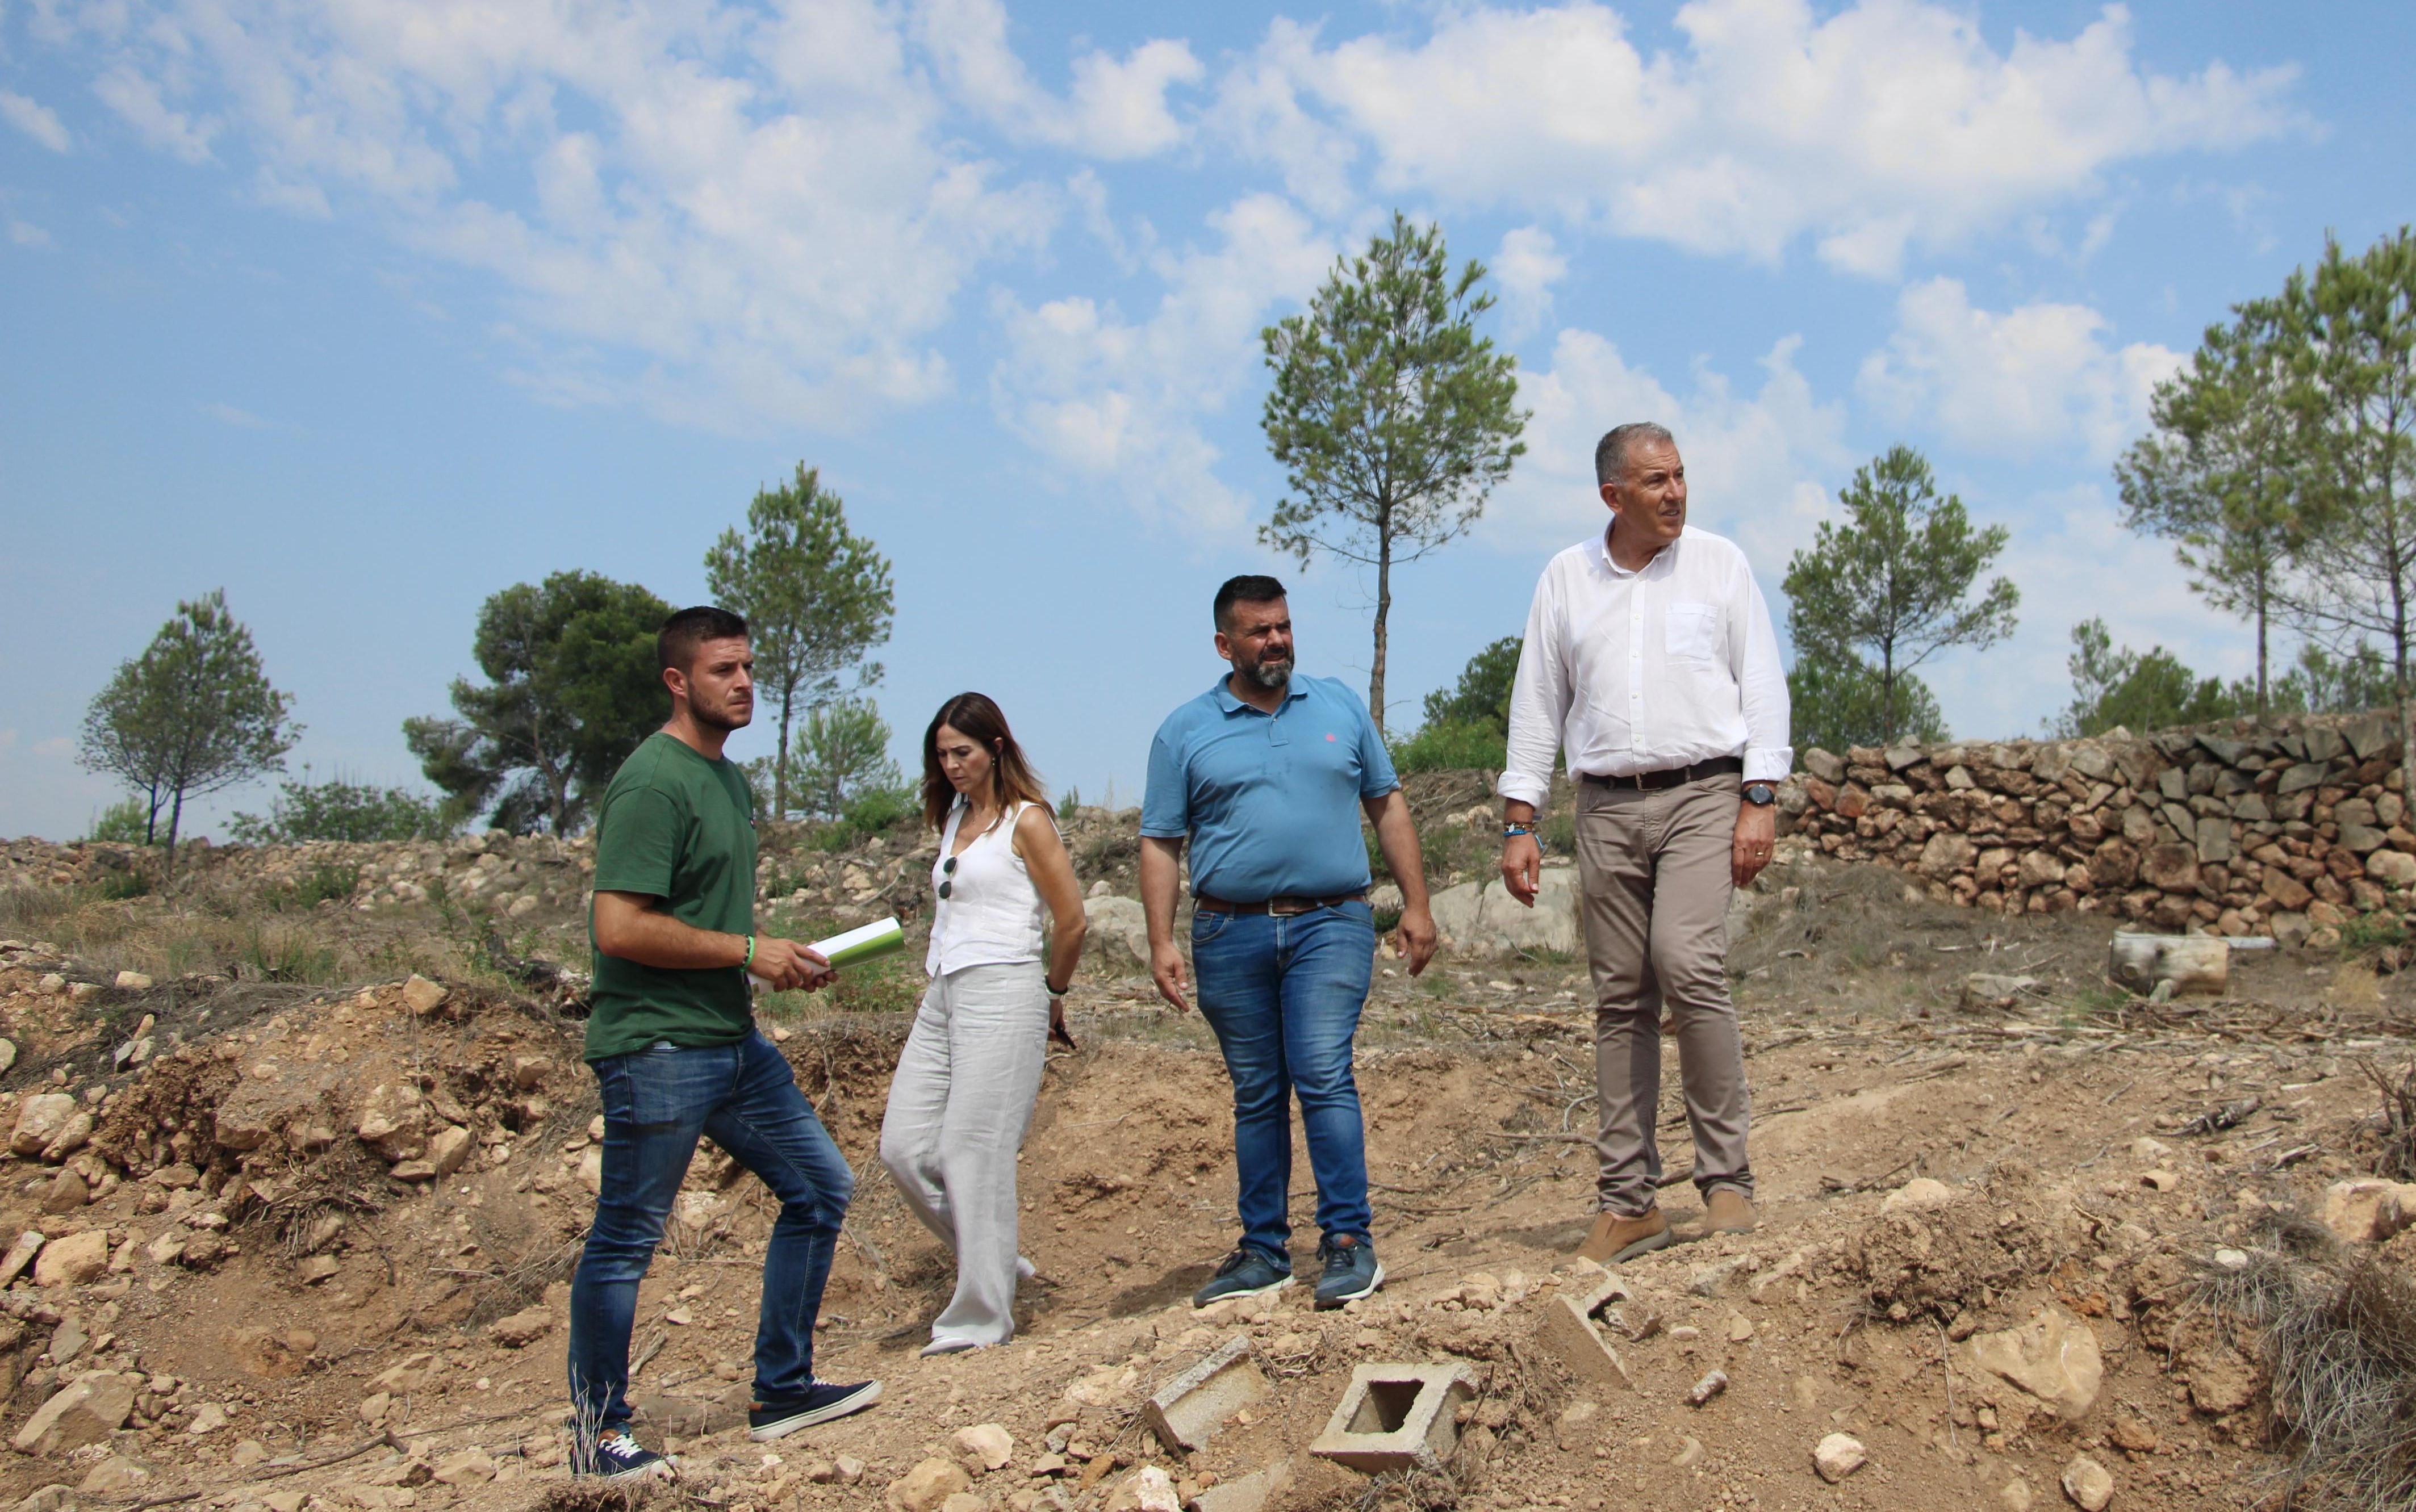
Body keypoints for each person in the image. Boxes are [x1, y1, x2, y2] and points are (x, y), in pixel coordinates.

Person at [568, 606, 881, 1481]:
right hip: (655, 1047)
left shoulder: (730, 782)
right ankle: (599, 1433)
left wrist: (779, 960)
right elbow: (620, 925)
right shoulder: (651, 781)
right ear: (678, 681)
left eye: (748, 667)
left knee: (821, 1184)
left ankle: (781, 1385)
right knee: (627, 1237)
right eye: (722, 671)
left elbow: (700, 920)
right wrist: (750, 951)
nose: (743, 683)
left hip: (729, 1040)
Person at [1497, 423, 1790, 1266]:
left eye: (1680, 476)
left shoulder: (1719, 564)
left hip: (1704, 791)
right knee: (1619, 993)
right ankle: (1628, 1202)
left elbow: (1762, 683)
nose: (1675, 493)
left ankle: (1725, 1178)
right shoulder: (1565, 577)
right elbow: (1537, 703)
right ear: (1612, 496)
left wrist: (1758, 797)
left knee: (1687, 963)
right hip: (1604, 805)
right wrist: (1521, 820)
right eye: (1656, 481)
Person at [1141, 575, 1439, 1310]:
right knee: (1256, 1092)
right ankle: (1263, 1250)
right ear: (1224, 643)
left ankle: (1346, 1240)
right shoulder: (1183, 730)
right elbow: (1159, 842)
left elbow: (1386, 804)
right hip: (1226, 930)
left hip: (1330, 921)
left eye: (1282, 626)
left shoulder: (1337, 706)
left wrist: (1417, 903)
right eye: (1258, 630)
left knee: (1320, 1068)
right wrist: (1158, 940)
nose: (1275, 640)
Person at [879, 693, 1086, 1356]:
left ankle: (980, 1318)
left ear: (996, 747)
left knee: (973, 1150)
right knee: (905, 1149)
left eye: (962, 752)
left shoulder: (1028, 821)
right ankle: (995, 1259)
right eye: (941, 754)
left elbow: (1073, 919)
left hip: (1006, 985)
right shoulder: (957, 816)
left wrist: (1053, 993)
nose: (950, 765)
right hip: (943, 988)